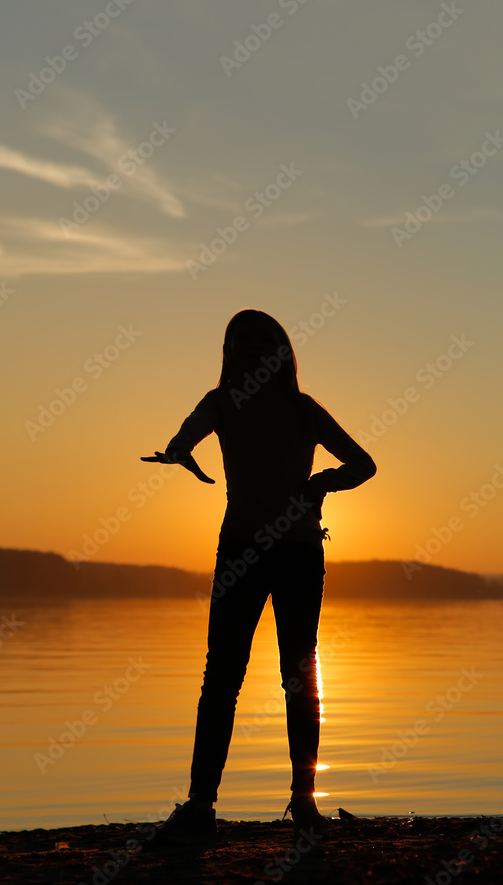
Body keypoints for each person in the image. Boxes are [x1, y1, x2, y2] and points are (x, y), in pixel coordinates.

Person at [140, 308, 376, 845]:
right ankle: (202, 806)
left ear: (281, 351)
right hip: (240, 551)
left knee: (299, 678)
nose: (247, 346)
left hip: (296, 554)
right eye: (237, 339)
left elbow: (364, 464)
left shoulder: (303, 410)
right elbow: (185, 437)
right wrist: (179, 455)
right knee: (221, 676)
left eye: (259, 338)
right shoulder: (221, 401)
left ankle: (304, 802)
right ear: (228, 352)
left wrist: (322, 485)